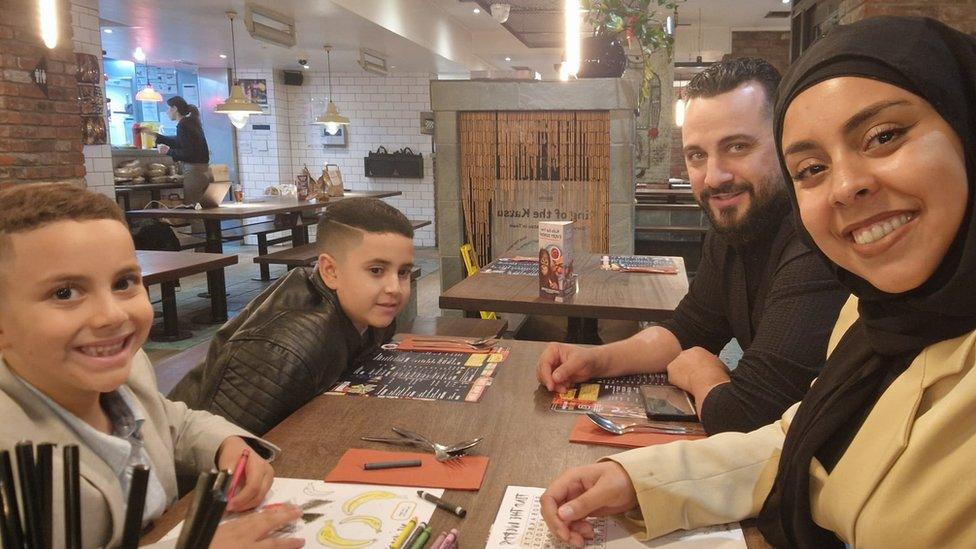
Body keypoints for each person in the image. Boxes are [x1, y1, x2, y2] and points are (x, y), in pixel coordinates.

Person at [540, 16, 976, 548]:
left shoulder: (823, 263)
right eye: (813, 166)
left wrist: (703, 372)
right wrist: (635, 475)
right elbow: (789, 439)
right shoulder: (871, 317)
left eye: (883, 137)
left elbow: (749, 415)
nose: (846, 187)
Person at [537, 58, 848, 434]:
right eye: (697, 155)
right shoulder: (734, 230)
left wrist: (704, 372)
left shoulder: (817, 241)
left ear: (786, 142)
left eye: (737, 146)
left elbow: (747, 415)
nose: (714, 176)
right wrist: (595, 359)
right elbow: (686, 329)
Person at [0, 183, 303, 548]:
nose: (111, 315)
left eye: (124, 282)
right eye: (65, 293)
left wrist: (226, 444)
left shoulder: (129, 368)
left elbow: (172, 422)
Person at [170, 198, 414, 435]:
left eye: (403, 272)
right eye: (376, 270)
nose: (394, 287)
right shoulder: (284, 350)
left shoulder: (373, 312)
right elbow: (219, 453)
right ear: (331, 271)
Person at [146, 96, 211, 205]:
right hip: (204, 171)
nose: (167, 112)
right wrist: (154, 135)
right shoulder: (191, 123)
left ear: (175, 108)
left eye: (168, 109)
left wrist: (168, 151)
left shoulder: (183, 125)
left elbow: (188, 153)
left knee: (193, 209)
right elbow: (179, 142)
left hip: (194, 172)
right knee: (206, 210)